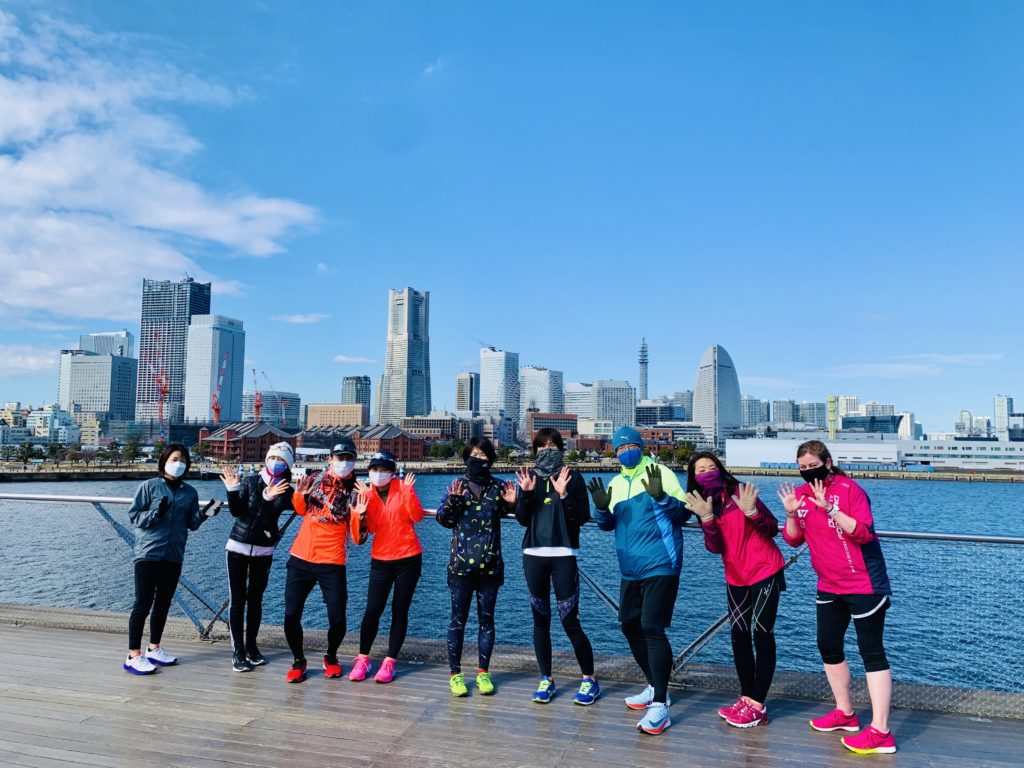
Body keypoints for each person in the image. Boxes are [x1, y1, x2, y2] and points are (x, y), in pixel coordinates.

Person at [778, 440, 896, 755]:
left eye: (813, 465)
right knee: (828, 645)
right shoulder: (801, 495)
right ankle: (845, 713)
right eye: (802, 467)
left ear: (828, 463)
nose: (807, 471)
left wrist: (830, 509)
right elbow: (793, 539)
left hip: (864, 582)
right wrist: (791, 513)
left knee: (871, 651)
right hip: (829, 583)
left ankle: (881, 731)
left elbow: (864, 533)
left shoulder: (849, 490)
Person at [586, 427, 689, 735]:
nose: (625, 452)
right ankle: (655, 685)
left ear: (640, 447)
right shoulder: (616, 483)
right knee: (629, 626)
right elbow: (606, 525)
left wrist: (661, 497)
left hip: (661, 563)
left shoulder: (661, 473)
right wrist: (601, 508)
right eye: (620, 449)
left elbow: (683, 514)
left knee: (652, 628)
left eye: (630, 446)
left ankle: (660, 705)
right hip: (629, 569)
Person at [685, 451, 785, 728]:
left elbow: (772, 528)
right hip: (736, 576)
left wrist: (752, 512)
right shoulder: (704, 504)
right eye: (701, 470)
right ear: (694, 478)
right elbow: (715, 547)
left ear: (721, 469)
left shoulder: (740, 492)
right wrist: (706, 519)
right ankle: (746, 697)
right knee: (739, 636)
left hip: (765, 570)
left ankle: (758, 705)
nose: (707, 472)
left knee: (762, 635)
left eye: (711, 467)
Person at [514, 428, 599, 706]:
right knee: (540, 621)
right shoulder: (529, 478)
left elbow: (581, 517)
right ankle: (546, 679)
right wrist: (526, 494)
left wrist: (564, 495)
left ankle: (589, 679)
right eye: (541, 447)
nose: (547, 451)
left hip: (564, 553)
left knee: (569, 621)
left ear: (561, 449)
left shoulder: (574, 478)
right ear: (534, 451)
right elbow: (522, 519)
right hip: (533, 553)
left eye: (552, 446)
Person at [436, 437, 517, 697]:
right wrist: (453, 500)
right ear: (466, 458)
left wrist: (515, 502)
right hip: (460, 566)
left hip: (490, 566)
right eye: (474, 455)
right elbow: (443, 519)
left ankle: (483, 672)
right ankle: (455, 674)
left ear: (490, 460)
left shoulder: (499, 487)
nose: (478, 460)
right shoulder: (457, 486)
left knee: (487, 621)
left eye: (483, 456)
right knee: (457, 621)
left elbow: (518, 514)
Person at [282, 440, 367, 684]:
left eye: (349, 458)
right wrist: (299, 495)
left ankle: (331, 656)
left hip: (333, 560)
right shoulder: (314, 479)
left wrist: (358, 515)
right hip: (302, 556)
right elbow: (300, 510)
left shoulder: (358, 491)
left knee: (337, 618)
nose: (344, 462)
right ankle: (298, 660)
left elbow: (358, 539)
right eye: (340, 457)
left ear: (355, 461)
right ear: (330, 459)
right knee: (291, 614)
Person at [124, 443, 210, 674]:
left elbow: (191, 524)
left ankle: (154, 648)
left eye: (183, 460)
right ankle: (133, 655)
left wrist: (203, 515)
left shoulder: (190, 492)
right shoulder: (149, 487)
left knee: (163, 603)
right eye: (174, 459)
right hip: (148, 553)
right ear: (164, 461)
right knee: (143, 604)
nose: (179, 463)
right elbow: (135, 517)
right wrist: (157, 513)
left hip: (174, 555)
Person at [350, 451, 425, 684]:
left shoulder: (403, 488)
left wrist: (409, 492)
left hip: (408, 558)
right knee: (372, 610)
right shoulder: (367, 494)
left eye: (383, 470)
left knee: (399, 610)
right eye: (374, 469)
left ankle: (390, 661)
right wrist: (360, 512)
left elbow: (417, 516)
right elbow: (369, 529)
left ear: (392, 472)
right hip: (381, 559)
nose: (379, 474)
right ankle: (363, 658)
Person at [220, 442, 295, 673]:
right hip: (237, 546)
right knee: (237, 600)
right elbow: (237, 512)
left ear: (288, 465)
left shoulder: (286, 490)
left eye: (282, 460)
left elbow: (268, 517)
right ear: (266, 459)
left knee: (255, 600)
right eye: (274, 458)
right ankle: (238, 651)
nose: (277, 462)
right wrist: (232, 490)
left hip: (263, 550)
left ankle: (252, 647)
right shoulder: (250, 481)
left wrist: (269, 499)